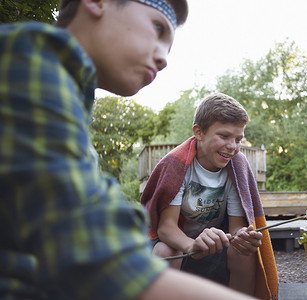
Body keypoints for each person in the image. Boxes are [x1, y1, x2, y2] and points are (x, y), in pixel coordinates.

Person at [0, 1, 258, 299]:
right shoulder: (28, 64)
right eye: (157, 28)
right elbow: (96, 254)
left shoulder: (69, 92)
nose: (163, 60)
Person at [140, 93, 279, 299]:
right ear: (199, 132)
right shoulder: (177, 165)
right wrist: (191, 245)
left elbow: (235, 229)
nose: (232, 146)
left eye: (238, 139)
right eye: (224, 136)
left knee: (246, 254)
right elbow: (166, 227)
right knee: (163, 252)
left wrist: (244, 237)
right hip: (180, 244)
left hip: (216, 245)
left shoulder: (236, 167)